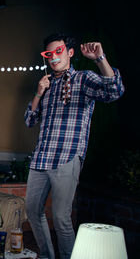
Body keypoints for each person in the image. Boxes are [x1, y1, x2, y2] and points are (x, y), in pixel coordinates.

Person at [24, 33, 125, 259]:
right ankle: (48, 256)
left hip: (67, 157)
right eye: (49, 54)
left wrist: (100, 59)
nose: (53, 57)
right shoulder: (46, 84)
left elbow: (114, 91)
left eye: (58, 51)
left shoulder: (83, 78)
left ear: (69, 52)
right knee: (32, 211)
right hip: (41, 158)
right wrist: (39, 93)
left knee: (61, 217)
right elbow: (30, 120)